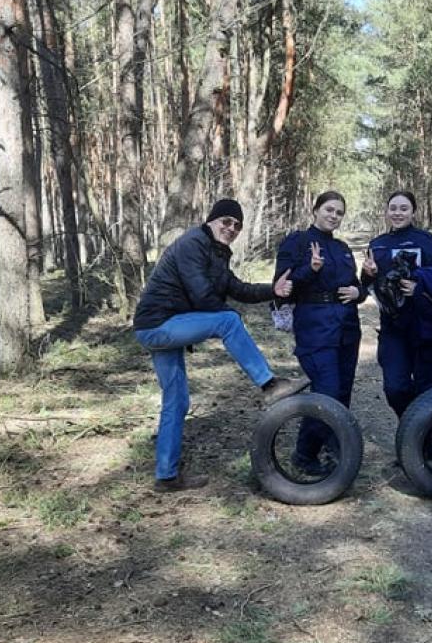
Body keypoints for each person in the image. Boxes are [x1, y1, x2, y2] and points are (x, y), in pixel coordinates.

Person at [132, 198, 309, 492]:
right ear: (211, 220)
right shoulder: (193, 244)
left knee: (177, 401)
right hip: (157, 325)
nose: (231, 228)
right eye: (226, 221)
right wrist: (231, 318)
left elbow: (238, 288)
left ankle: (166, 476)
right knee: (226, 320)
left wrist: (273, 290)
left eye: (237, 225)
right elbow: (202, 296)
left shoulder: (217, 253)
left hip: (166, 325)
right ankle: (269, 384)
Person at [361, 191, 432, 459]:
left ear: (413, 212)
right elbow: (368, 287)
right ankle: (412, 431)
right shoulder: (377, 244)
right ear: (386, 211)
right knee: (395, 387)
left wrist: (418, 286)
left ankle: (425, 444)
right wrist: (366, 273)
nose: (398, 212)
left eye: (404, 208)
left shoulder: (427, 241)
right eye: (393, 208)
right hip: (393, 328)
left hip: (425, 328)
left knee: (426, 388)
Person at [274, 191, 365, 476]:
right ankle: (304, 454)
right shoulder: (297, 242)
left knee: (343, 392)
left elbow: (355, 286)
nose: (333, 216)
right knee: (326, 392)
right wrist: (310, 269)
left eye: (339, 212)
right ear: (314, 210)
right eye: (329, 209)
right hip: (314, 326)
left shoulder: (342, 248)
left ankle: (334, 445)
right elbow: (282, 286)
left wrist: (360, 290)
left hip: (347, 327)